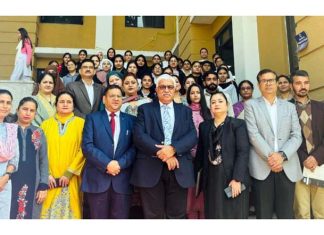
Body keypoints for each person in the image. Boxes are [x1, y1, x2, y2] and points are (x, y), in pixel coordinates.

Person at [130, 74, 197, 219]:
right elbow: (139, 136)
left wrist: (173, 149)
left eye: (170, 87)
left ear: (175, 90)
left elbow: (192, 136)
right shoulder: (145, 109)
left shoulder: (185, 110)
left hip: (179, 167)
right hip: (150, 167)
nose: (166, 90)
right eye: (162, 87)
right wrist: (164, 154)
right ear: (156, 90)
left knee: (177, 215)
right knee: (154, 215)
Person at [244, 69, 302, 219]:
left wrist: (281, 156)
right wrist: (272, 157)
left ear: (277, 83)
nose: (268, 83)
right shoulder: (251, 105)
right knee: (264, 214)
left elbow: (296, 135)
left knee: (286, 214)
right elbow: (253, 135)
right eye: (264, 80)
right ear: (259, 85)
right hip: (262, 166)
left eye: (271, 80)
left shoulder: (289, 107)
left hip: (286, 166)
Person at [82, 85, 136, 219]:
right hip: (97, 179)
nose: (116, 99)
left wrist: (119, 164)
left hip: (122, 180)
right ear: (104, 99)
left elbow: (135, 147)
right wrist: (107, 164)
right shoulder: (92, 118)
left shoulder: (131, 120)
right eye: (112, 96)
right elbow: (87, 146)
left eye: (119, 96)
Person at [195, 91, 250, 219]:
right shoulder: (204, 126)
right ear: (210, 107)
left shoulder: (237, 124)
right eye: (213, 102)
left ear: (227, 105)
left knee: (233, 214)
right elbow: (200, 154)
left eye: (220, 101)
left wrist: (237, 179)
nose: (216, 104)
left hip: (232, 177)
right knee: (213, 214)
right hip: (211, 178)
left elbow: (243, 152)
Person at [40, 91, 85, 219]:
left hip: (72, 178)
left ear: (73, 105)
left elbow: (84, 150)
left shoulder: (81, 124)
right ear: (56, 104)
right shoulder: (45, 125)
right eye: (61, 101)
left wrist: (69, 173)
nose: (65, 104)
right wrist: (47, 174)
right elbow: (40, 152)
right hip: (50, 179)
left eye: (69, 102)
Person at [289, 70, 324, 219]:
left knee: (321, 212)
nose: (303, 86)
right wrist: (304, 158)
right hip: (297, 165)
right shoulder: (285, 108)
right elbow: (285, 139)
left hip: (320, 165)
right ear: (291, 86)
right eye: (298, 83)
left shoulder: (321, 107)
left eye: (306, 82)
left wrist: (316, 158)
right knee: (302, 213)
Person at [10, 97, 49, 219]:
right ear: (17, 110)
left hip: (33, 181)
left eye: (32, 111)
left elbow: (44, 161)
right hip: (10, 181)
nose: (28, 113)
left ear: (35, 114)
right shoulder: (8, 129)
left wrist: (43, 185)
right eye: (25, 109)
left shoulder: (39, 132)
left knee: (29, 215)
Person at [186, 84, 211, 219]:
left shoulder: (208, 112)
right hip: (188, 155)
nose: (195, 95)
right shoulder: (184, 111)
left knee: (203, 187)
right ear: (188, 95)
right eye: (192, 93)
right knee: (191, 187)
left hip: (205, 155)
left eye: (198, 92)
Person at [0, 89, 19, 219]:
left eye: (8, 102)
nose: (5, 105)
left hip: (4, 182)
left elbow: (14, 158)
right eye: (1, 102)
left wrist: (6, 177)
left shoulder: (11, 128)